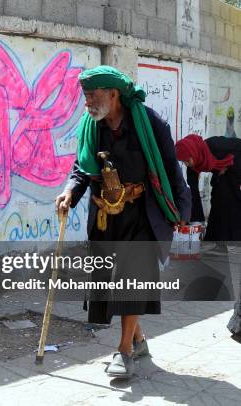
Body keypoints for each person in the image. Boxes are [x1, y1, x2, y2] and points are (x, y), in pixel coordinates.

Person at [55, 66, 191, 378]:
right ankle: (139, 339)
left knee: (132, 279)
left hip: (140, 213)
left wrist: (180, 213)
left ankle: (124, 351)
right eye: (85, 95)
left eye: (93, 94)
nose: (87, 101)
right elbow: (82, 167)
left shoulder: (151, 124)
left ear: (114, 94)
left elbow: (170, 169)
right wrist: (69, 193)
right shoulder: (92, 127)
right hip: (105, 216)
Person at [174, 134, 241, 342]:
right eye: (184, 161)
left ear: (194, 153)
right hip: (222, 179)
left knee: (233, 206)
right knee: (219, 204)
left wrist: (229, 169)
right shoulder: (193, 163)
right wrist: (193, 221)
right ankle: (218, 242)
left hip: (236, 171)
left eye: (187, 159)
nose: (187, 163)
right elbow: (192, 192)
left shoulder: (215, 145)